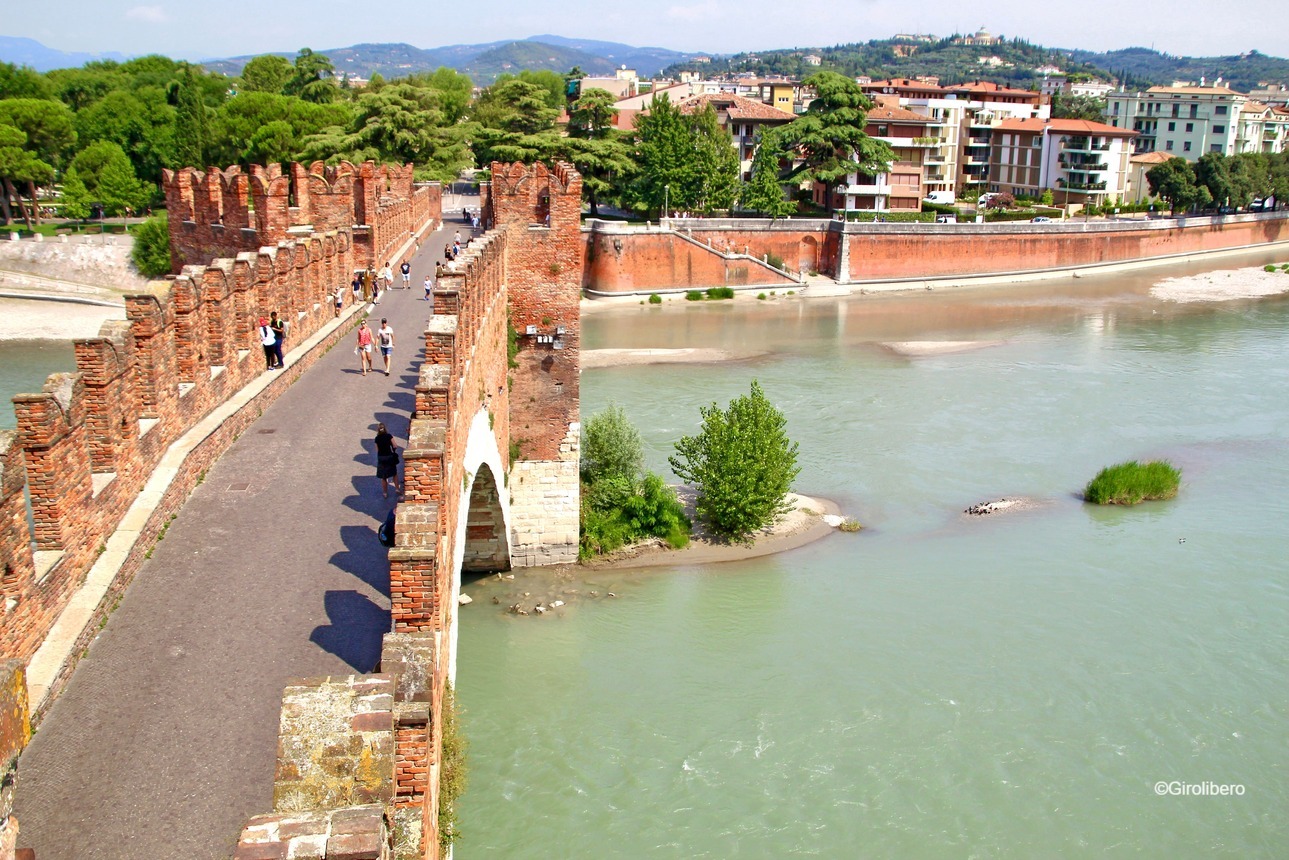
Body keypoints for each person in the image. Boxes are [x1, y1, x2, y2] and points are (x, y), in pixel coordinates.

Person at [373, 422, 402, 498]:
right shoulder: (389, 436)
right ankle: (397, 489)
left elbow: (377, 450)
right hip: (389, 457)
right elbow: (395, 445)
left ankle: (385, 493)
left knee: (383, 477)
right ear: (385, 429)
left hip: (381, 458)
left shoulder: (377, 439)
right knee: (394, 474)